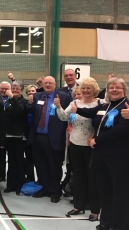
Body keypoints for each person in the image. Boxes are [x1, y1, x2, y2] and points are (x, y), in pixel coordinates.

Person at [71, 78, 129, 230]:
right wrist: (77, 110)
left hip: (118, 156)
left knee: (119, 190)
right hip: (101, 155)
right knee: (104, 189)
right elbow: (91, 113)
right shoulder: (106, 105)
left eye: (117, 87)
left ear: (124, 90)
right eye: (111, 88)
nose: (114, 90)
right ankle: (106, 221)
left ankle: (119, 224)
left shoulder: (126, 106)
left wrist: (97, 139)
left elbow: (121, 129)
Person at [55, 77, 101, 220]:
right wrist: (58, 107)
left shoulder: (101, 103)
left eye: (89, 88)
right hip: (75, 144)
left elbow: (101, 124)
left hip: (91, 146)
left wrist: (94, 135)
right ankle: (78, 206)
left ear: (95, 90)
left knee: (92, 178)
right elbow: (63, 117)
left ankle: (94, 210)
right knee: (78, 177)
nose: (86, 91)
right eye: (84, 88)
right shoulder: (75, 102)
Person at [26, 76, 70, 203]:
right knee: (41, 165)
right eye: (46, 83)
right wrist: (29, 103)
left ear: (55, 84)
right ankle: (45, 188)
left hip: (55, 138)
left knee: (54, 166)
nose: (48, 85)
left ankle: (55, 191)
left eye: (50, 83)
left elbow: (68, 115)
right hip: (38, 138)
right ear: (43, 85)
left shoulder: (64, 97)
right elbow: (30, 111)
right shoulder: (37, 96)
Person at [3, 81, 27, 195]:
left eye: (17, 89)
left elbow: (20, 111)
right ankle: (11, 184)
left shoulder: (24, 102)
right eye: (13, 88)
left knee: (19, 162)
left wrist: (12, 97)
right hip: (8, 135)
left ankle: (19, 185)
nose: (15, 90)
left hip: (19, 136)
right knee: (11, 162)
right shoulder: (8, 102)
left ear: (21, 90)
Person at [0, 81, 11, 183]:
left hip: (11, 132)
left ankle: (11, 175)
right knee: (1, 155)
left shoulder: (13, 98)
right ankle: (1, 175)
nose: (4, 90)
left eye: (6, 88)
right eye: (2, 88)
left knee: (11, 156)